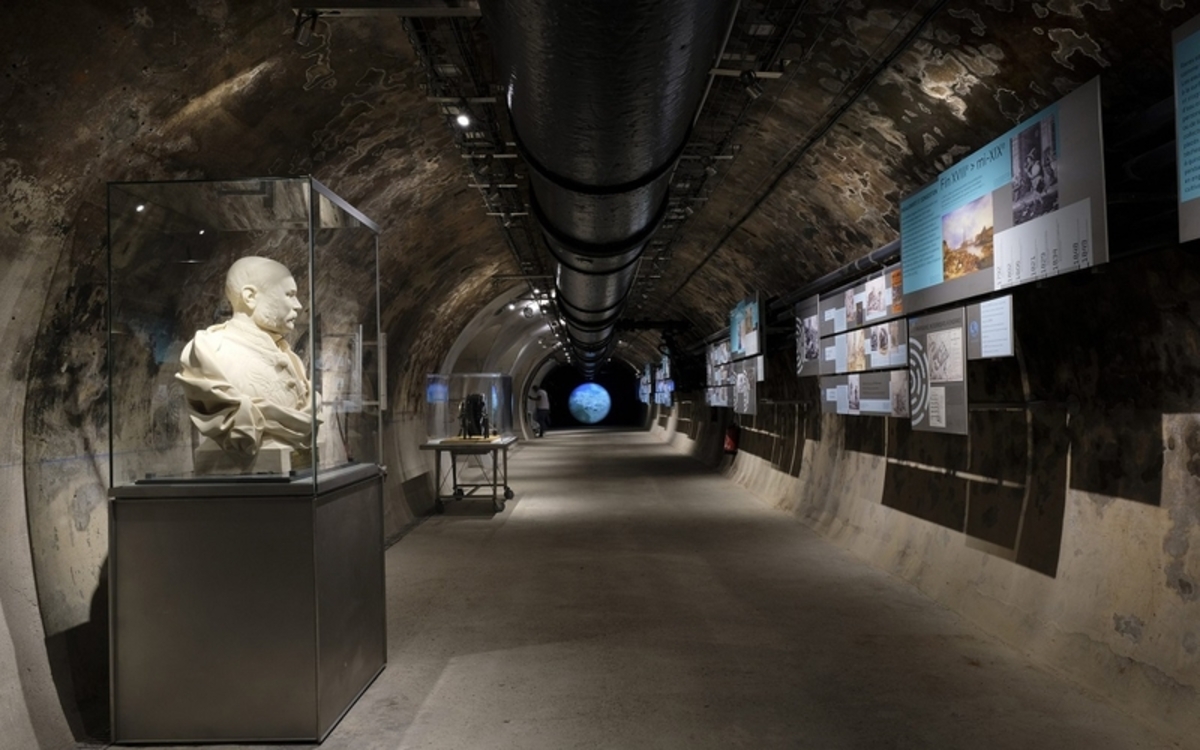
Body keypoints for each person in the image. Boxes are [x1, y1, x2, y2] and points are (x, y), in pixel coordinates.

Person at [176, 256, 314, 471]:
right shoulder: (209, 351)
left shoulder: (290, 357)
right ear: (250, 297)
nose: (298, 305)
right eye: (289, 295)